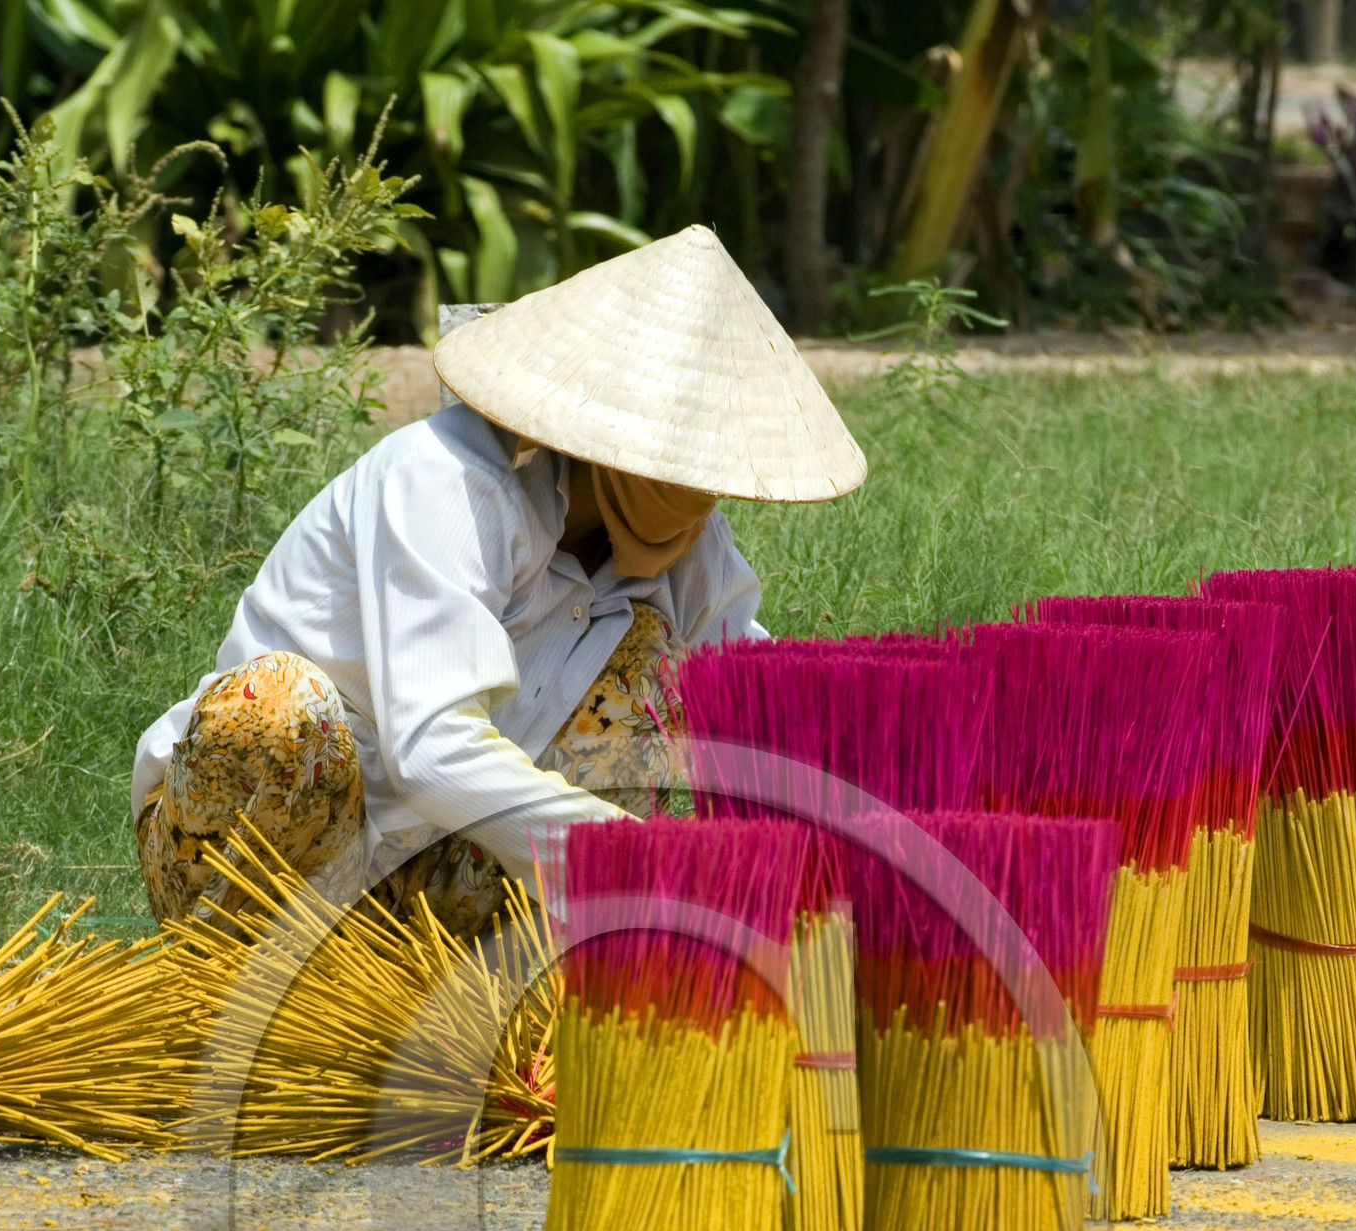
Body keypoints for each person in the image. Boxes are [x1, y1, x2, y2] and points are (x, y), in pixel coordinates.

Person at [131, 222, 867, 937]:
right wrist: (639, 862)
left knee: (657, 665)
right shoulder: (445, 481)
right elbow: (434, 753)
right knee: (277, 707)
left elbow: (760, 709)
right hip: (258, 855)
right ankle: (241, 988)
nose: (699, 494)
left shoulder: (694, 544)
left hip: (433, 873)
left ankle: (469, 980)